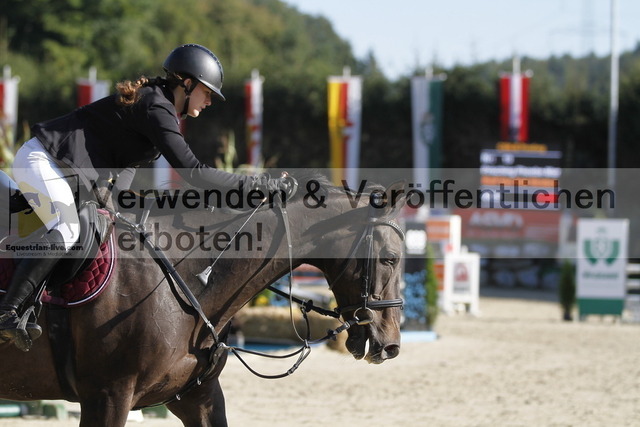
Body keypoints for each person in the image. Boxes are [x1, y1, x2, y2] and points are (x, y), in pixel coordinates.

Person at [0, 43, 291, 351]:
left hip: (65, 170)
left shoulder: (158, 106)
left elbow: (122, 175)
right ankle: (8, 312)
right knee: (68, 229)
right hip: (43, 160)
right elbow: (194, 171)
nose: (209, 101)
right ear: (186, 83)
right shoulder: (156, 107)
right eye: (207, 92)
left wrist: (124, 206)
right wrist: (259, 185)